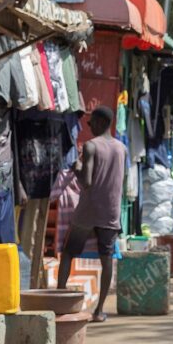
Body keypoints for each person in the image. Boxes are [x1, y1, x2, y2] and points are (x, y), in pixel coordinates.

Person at [58, 106, 126, 323]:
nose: (88, 127)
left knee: (68, 253)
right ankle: (99, 311)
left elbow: (86, 181)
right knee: (107, 260)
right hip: (111, 212)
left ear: (98, 122)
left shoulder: (90, 146)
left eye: (90, 123)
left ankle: (60, 301)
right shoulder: (122, 148)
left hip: (88, 211)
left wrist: (76, 167)